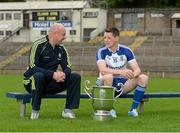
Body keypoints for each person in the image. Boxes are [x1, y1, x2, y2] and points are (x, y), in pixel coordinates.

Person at [23, 23, 81, 120]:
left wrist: (63, 75)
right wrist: (53, 74)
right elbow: (32, 67)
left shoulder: (62, 49)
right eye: (63, 34)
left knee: (75, 77)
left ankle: (68, 110)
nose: (65, 37)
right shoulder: (38, 45)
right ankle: (35, 110)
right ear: (56, 34)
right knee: (38, 76)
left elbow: (68, 67)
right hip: (32, 82)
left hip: (50, 83)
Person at [96, 27, 148, 117]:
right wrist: (121, 72)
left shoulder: (126, 50)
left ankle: (132, 110)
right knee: (109, 77)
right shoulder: (101, 51)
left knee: (143, 78)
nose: (106, 40)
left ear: (116, 38)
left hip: (122, 84)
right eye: (104, 37)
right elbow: (103, 70)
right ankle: (110, 109)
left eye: (109, 38)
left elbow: (137, 69)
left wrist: (132, 75)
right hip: (106, 83)